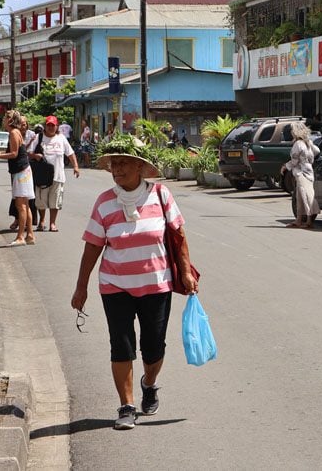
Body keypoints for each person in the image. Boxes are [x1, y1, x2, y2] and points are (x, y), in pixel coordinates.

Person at [70, 135, 198, 430]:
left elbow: (178, 236)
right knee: (121, 345)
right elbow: (92, 246)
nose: (117, 168)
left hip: (156, 284)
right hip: (115, 285)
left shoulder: (161, 195)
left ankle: (149, 382)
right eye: (114, 163)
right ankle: (126, 405)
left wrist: (186, 272)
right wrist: (81, 287)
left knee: (154, 347)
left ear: (140, 167)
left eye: (124, 162)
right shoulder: (104, 203)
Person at [0, 110, 36, 246]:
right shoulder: (15, 132)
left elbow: (14, 154)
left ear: (10, 120)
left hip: (21, 171)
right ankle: (30, 235)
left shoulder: (13, 133)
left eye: (5, 118)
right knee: (25, 205)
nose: (3, 120)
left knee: (21, 205)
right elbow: (12, 151)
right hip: (23, 171)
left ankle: (20, 237)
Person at [31, 115, 80, 232]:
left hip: (58, 175)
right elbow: (28, 152)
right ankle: (42, 221)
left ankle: (52, 223)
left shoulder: (61, 138)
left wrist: (76, 167)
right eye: (48, 125)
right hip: (42, 175)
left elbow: (70, 153)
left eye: (53, 125)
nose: (51, 127)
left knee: (55, 201)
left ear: (57, 126)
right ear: (45, 126)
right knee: (41, 200)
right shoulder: (39, 137)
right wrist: (35, 156)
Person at [280, 121, 320, 229]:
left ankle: (308, 221)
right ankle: (299, 220)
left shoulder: (298, 144)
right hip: (309, 171)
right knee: (301, 195)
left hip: (301, 172)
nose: (291, 133)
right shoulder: (308, 142)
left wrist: (285, 166)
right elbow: (317, 151)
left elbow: (294, 160)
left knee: (304, 196)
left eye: (292, 130)